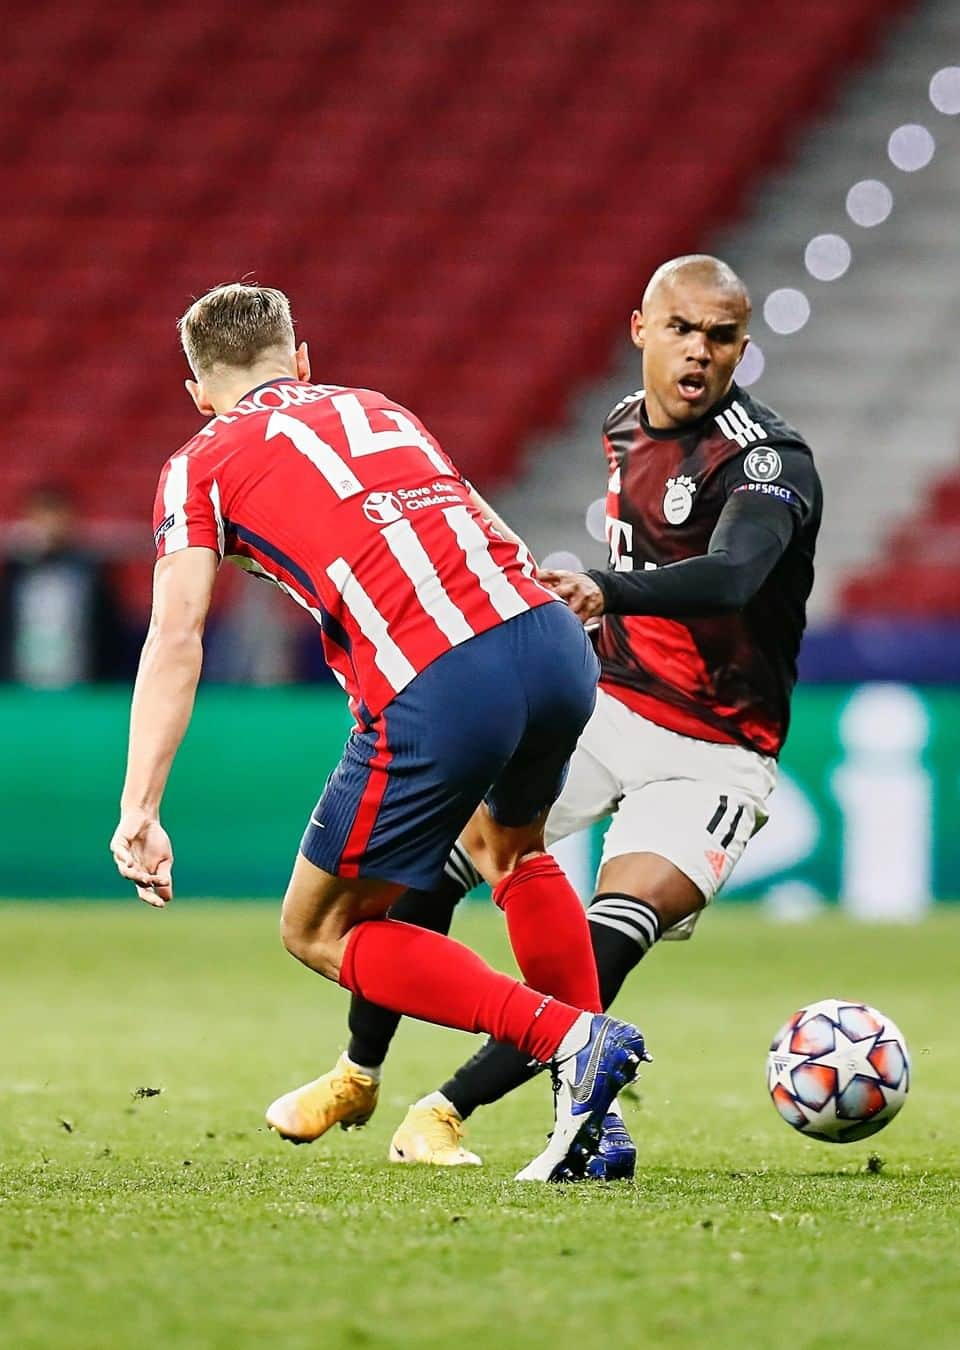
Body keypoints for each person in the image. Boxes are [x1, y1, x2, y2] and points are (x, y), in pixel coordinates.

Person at [267, 255, 823, 1179]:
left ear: (742, 348)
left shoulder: (769, 461)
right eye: (681, 329)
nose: (700, 353)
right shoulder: (619, 428)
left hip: (716, 749)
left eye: (721, 338)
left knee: (611, 933)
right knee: (426, 874)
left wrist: (603, 589)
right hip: (608, 708)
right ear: (640, 328)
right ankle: (356, 1072)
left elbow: (735, 576)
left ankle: (447, 1110)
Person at [108, 282, 649, 1183]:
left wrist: (140, 804)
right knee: (508, 846)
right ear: (302, 359)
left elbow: (176, 636)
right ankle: (593, 1121)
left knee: (319, 927)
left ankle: (570, 1040)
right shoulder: (374, 406)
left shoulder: (198, 461)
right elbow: (474, 521)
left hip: (440, 679)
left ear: (199, 393)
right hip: (549, 639)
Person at [0, 482, 133, 685]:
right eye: (41, 516)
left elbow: (108, 630)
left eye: (54, 515)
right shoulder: (15, 571)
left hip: (81, 685)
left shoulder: (92, 571)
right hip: (21, 686)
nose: (48, 525)